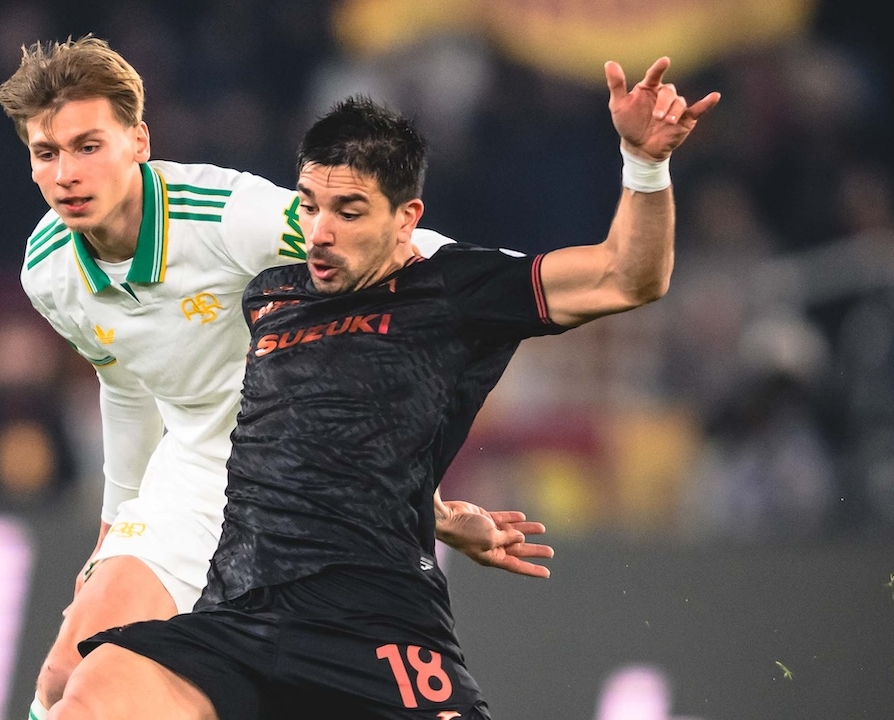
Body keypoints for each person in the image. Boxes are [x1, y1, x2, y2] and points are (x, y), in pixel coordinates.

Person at [47, 57, 720, 719]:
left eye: (349, 211)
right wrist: (442, 514)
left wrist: (645, 162)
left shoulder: (454, 290)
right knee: (87, 692)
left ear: (406, 218)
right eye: (309, 205)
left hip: (373, 629)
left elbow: (627, 277)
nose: (319, 232)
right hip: (242, 623)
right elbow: (313, 439)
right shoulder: (269, 296)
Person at [0, 36, 555, 717]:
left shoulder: (227, 216)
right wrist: (113, 528)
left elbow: (385, 242)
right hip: (195, 469)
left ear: (138, 141)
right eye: (46, 153)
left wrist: (525, 283)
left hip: (300, 465)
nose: (66, 174)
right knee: (64, 677)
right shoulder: (48, 271)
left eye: (88, 146)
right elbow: (127, 385)